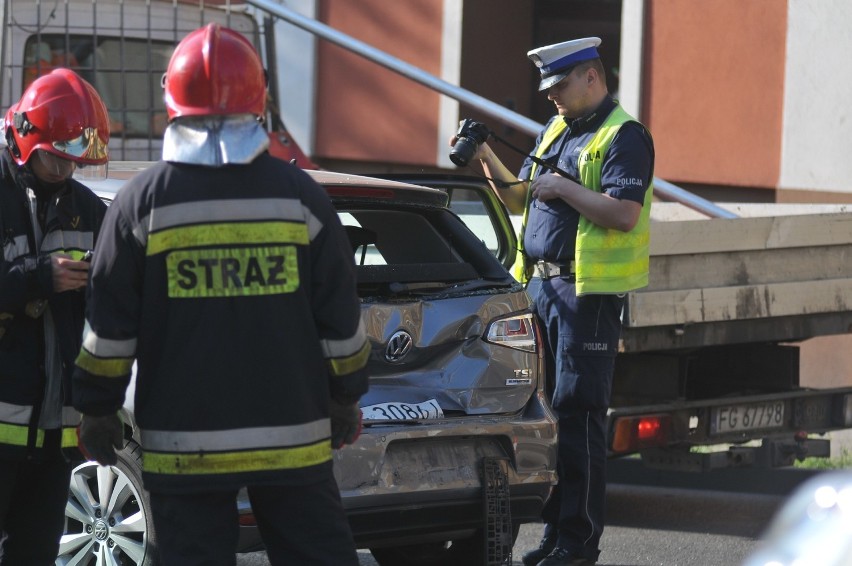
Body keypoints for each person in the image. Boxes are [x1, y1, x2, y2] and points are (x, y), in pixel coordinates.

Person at [72, 23, 369, 565]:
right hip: (292, 440)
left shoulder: (140, 204)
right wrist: (346, 396)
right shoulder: (302, 198)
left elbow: (108, 332)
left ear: (172, 102)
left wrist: (96, 409)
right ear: (258, 98)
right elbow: (341, 322)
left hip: (184, 446)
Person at [452, 37, 654, 566]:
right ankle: (554, 535)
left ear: (593, 76)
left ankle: (578, 543)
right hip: (540, 289)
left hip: (585, 295)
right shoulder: (560, 128)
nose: (552, 97)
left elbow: (624, 213)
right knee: (548, 419)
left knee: (579, 416)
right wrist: (485, 157)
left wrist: (564, 191)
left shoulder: (624, 136)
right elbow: (520, 197)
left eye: (560, 85)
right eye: (548, 88)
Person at [0, 68, 109, 564]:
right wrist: (37, 277)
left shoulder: (87, 210)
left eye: (74, 162)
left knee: (36, 554)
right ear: (26, 139)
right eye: (56, 161)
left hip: (53, 433)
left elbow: (112, 307)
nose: (67, 173)